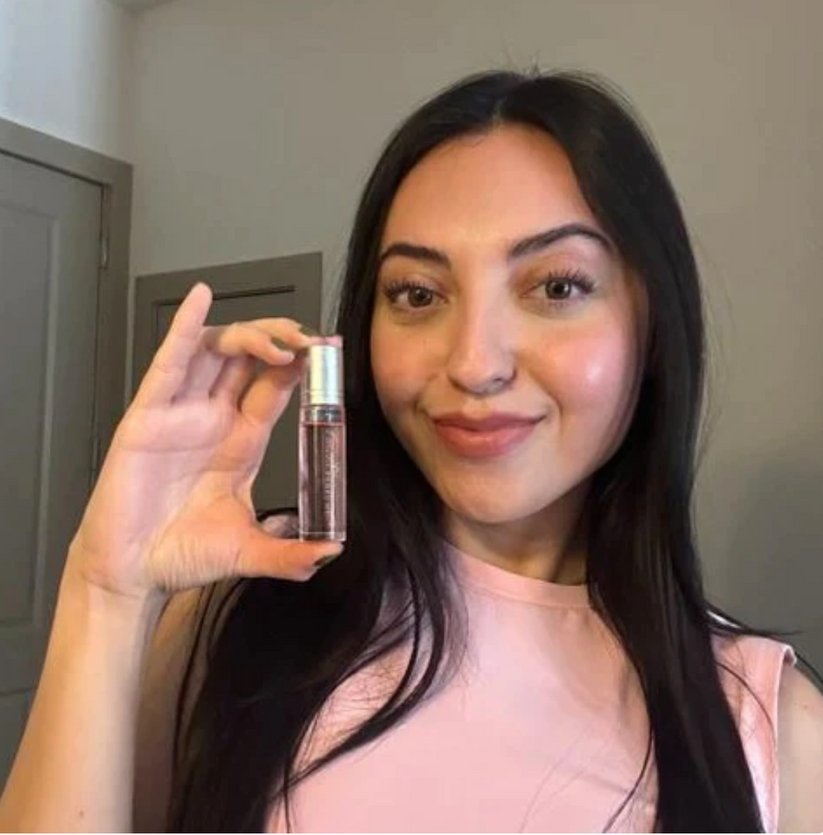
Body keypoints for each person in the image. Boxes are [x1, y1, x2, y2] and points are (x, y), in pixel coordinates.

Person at [1, 67, 822, 834]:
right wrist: (106, 587)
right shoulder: (244, 618)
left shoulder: (769, 724)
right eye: (417, 294)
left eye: (556, 285)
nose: (472, 362)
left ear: (651, 324)